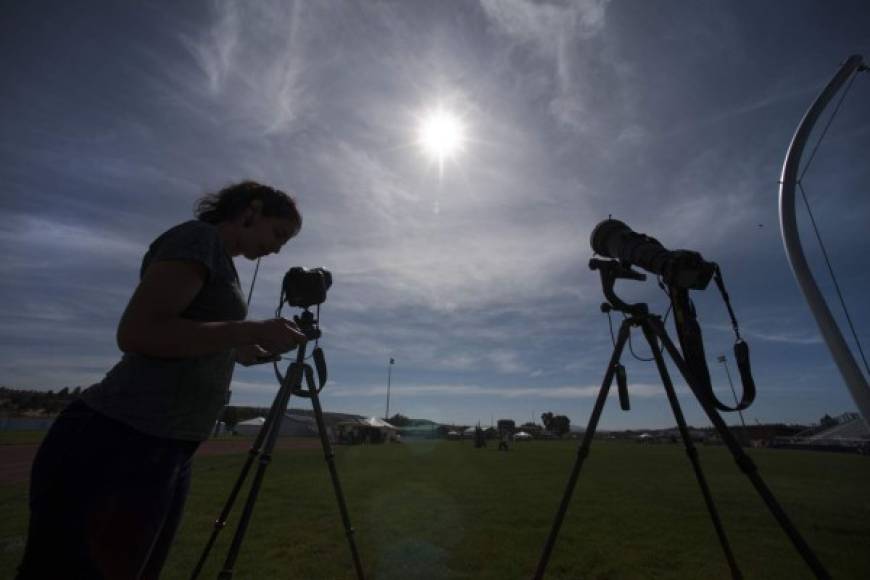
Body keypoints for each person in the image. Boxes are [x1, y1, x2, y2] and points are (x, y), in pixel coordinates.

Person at [17, 181, 307, 579]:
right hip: (121, 439)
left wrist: (246, 348)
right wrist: (246, 330)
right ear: (250, 211)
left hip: (165, 445)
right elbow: (139, 332)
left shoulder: (223, 262)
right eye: (278, 234)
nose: (277, 248)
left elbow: (196, 334)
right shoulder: (199, 238)